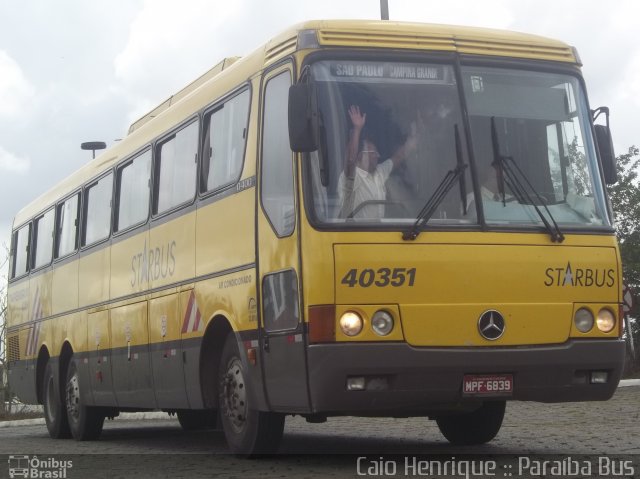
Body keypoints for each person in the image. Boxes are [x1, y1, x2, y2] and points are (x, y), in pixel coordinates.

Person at [338, 105, 418, 219]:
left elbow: (398, 157)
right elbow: (350, 159)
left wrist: (412, 141)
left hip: (379, 234)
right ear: (361, 155)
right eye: (373, 153)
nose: (378, 156)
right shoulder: (353, 177)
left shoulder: (379, 172)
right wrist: (357, 129)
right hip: (357, 234)